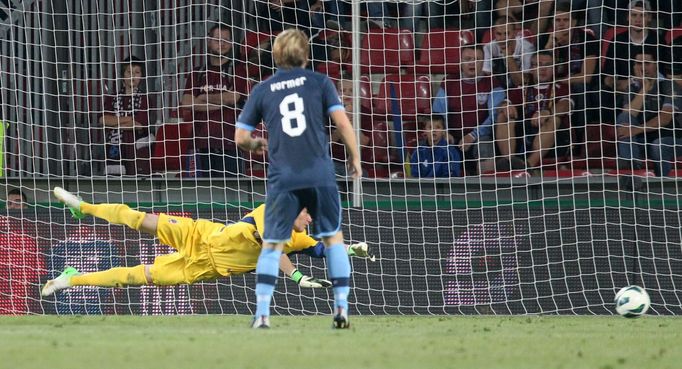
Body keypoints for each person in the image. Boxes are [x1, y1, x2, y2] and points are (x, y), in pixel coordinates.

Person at [234, 29, 361, 329]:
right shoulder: (320, 82)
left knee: (273, 245)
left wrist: (256, 144)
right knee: (333, 239)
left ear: (276, 56)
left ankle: (262, 314)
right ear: (306, 55)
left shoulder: (263, 89)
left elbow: (240, 137)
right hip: (319, 173)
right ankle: (341, 310)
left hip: (284, 177)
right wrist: (354, 157)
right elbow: (342, 122)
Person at [42, 187, 374, 296]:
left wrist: (350, 249)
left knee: (136, 276)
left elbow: (318, 248)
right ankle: (83, 207)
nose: (311, 220)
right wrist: (298, 278)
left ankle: (71, 277)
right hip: (201, 233)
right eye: (307, 213)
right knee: (141, 219)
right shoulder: (269, 213)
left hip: (204, 266)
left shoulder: (298, 236)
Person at [180, 23, 248, 177]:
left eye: (226, 40)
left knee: (233, 198)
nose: (222, 43)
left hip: (231, 145)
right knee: (199, 197)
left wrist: (203, 98)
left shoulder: (237, 70)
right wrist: (221, 102)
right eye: (218, 39)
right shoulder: (197, 73)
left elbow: (233, 98)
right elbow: (188, 103)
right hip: (200, 145)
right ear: (209, 41)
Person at [432, 46, 506, 175]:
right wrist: (444, 133)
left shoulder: (492, 82)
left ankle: (487, 186)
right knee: (438, 142)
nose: (472, 63)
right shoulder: (449, 82)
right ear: (460, 62)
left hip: (480, 136)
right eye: (468, 59)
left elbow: (494, 115)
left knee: (485, 143)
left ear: (483, 62)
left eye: (477, 59)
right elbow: (437, 113)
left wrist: (473, 135)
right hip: (452, 136)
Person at [495, 51, 573, 170]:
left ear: (553, 69)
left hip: (555, 141)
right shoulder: (523, 88)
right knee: (503, 115)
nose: (543, 69)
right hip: (525, 134)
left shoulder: (561, 87)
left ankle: (528, 165)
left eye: (547, 65)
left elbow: (566, 105)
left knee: (554, 119)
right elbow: (504, 103)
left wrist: (547, 112)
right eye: (539, 64)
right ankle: (509, 161)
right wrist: (506, 106)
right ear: (531, 68)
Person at [538, 2, 600, 144]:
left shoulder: (587, 39)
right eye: (557, 20)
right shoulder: (544, 39)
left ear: (574, 22)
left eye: (566, 20)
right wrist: (549, 47)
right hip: (554, 86)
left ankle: (582, 140)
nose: (561, 24)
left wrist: (561, 81)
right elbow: (539, 72)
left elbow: (586, 76)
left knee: (580, 89)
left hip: (576, 85)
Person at [616, 50, 682, 177]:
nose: (642, 68)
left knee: (659, 145)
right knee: (623, 117)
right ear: (634, 66)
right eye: (639, 64)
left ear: (656, 64)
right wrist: (645, 88)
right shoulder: (633, 88)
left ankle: (663, 186)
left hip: (673, 139)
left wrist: (634, 131)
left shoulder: (669, 85)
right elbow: (628, 115)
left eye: (647, 63)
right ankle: (633, 169)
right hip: (645, 139)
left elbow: (665, 118)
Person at [100, 56, 154, 176]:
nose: (132, 76)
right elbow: (104, 119)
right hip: (116, 148)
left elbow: (138, 125)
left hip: (137, 153)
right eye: (129, 72)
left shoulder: (145, 99)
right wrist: (128, 118)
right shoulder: (112, 98)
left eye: (137, 72)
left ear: (141, 76)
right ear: (123, 75)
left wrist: (115, 122)